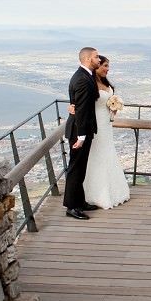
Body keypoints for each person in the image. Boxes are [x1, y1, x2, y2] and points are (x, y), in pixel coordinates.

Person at [81, 55, 130, 209]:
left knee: (108, 153)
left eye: (108, 66)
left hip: (106, 124)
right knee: (97, 155)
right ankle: (96, 193)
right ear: (97, 66)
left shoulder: (105, 83)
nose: (108, 69)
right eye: (105, 66)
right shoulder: (90, 84)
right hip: (95, 125)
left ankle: (113, 190)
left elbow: (107, 102)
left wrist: (113, 108)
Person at [62, 47, 100, 220]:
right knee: (75, 170)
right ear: (87, 59)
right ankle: (72, 207)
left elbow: (78, 105)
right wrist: (82, 136)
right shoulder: (82, 79)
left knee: (80, 168)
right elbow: (82, 109)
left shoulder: (85, 75)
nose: (98, 60)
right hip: (79, 131)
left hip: (80, 129)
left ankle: (80, 201)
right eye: (96, 57)